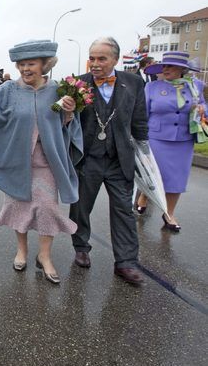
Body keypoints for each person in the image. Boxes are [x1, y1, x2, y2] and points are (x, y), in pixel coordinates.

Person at [0, 40, 82, 284]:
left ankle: (44, 256)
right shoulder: (9, 90)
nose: (25, 69)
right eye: (21, 64)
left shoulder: (58, 90)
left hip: (47, 162)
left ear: (45, 64)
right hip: (17, 161)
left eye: (31, 64)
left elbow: (66, 125)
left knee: (48, 209)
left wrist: (69, 111)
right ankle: (22, 251)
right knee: (18, 208)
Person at [69, 37, 149, 286]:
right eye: (92, 58)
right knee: (81, 206)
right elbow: (68, 121)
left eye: (101, 58)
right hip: (88, 158)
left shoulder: (133, 83)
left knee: (123, 210)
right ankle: (81, 246)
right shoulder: (77, 84)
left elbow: (139, 122)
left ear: (115, 59)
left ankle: (126, 262)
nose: (95, 63)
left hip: (119, 159)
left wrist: (145, 155)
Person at [136, 51, 205, 230]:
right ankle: (144, 195)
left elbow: (204, 105)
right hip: (156, 138)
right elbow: (142, 114)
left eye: (170, 66)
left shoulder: (196, 85)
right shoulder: (152, 87)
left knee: (176, 179)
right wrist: (139, 136)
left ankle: (169, 214)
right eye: (164, 66)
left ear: (182, 69)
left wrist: (201, 109)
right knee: (153, 175)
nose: (165, 69)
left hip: (183, 139)